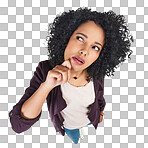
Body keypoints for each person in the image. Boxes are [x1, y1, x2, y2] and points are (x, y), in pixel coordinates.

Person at [9, 7, 133, 144]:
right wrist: (47, 86)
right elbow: (18, 126)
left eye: (95, 47)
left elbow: (99, 95)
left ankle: (87, 125)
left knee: (89, 125)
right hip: (69, 126)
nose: (84, 51)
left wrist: (101, 111)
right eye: (80, 38)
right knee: (75, 140)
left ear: (100, 55)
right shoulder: (46, 70)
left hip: (91, 118)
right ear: (67, 36)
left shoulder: (96, 72)